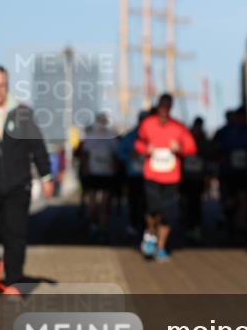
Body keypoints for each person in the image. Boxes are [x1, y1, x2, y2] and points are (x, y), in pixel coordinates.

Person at [0, 65, 54, 298]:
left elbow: (38, 147)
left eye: (2, 85)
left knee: (15, 235)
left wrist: (46, 176)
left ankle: (14, 281)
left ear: (7, 86)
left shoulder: (23, 114)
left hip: (18, 185)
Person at [135, 94, 196, 262]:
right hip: (152, 175)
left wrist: (180, 148)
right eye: (162, 105)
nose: (164, 108)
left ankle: (161, 247)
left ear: (171, 107)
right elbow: (138, 143)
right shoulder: (148, 124)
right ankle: (150, 234)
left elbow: (191, 148)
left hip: (171, 177)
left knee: (168, 214)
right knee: (153, 210)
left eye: (167, 105)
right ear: (158, 105)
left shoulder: (178, 127)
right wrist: (146, 149)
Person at [212, 107, 247, 241]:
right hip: (228, 172)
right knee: (229, 200)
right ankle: (229, 219)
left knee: (243, 198)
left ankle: (241, 226)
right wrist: (220, 157)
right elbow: (214, 148)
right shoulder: (223, 132)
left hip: (245, 172)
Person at [77, 113, 119, 237]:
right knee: (93, 202)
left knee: (105, 203)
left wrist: (115, 168)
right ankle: (94, 223)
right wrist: (86, 169)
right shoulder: (90, 137)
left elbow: (116, 155)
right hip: (93, 174)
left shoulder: (111, 137)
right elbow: (84, 154)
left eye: (103, 121)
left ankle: (103, 227)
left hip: (107, 174)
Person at [117, 110, 148, 239]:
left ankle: (146, 227)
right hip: (134, 175)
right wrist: (130, 155)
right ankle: (134, 224)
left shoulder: (153, 135)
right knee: (134, 201)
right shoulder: (130, 136)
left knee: (147, 203)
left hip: (149, 176)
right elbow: (120, 153)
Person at [181, 116, 210, 243]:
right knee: (187, 203)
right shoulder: (187, 140)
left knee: (196, 204)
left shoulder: (204, 143)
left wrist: (207, 177)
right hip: (187, 178)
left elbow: (208, 161)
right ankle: (189, 226)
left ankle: (195, 227)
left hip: (197, 178)